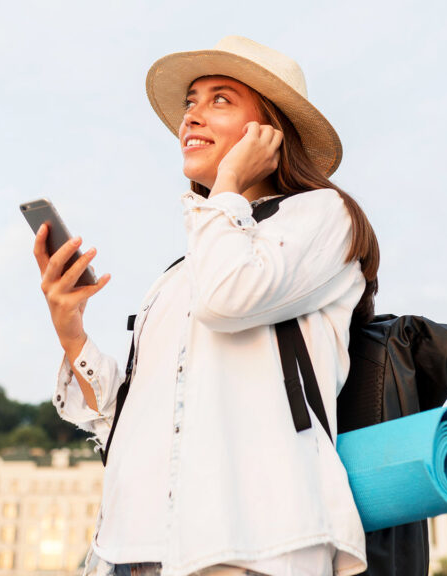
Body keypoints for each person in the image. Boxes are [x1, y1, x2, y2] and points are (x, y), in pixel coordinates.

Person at [33, 36, 380, 576]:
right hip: (134, 550)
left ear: (271, 133)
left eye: (220, 99)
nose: (190, 116)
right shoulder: (185, 268)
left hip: (255, 542)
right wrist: (70, 330)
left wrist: (228, 187)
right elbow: (123, 424)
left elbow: (228, 299)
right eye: (191, 101)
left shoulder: (323, 215)